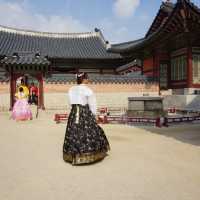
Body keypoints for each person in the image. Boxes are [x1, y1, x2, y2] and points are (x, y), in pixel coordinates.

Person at [63, 72, 110, 165]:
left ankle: (72, 155)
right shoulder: (88, 90)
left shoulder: (71, 89)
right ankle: (89, 155)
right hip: (85, 112)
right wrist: (95, 115)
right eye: (87, 78)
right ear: (84, 79)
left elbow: (70, 103)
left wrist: (74, 110)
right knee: (89, 132)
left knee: (73, 132)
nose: (88, 79)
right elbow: (92, 104)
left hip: (74, 112)